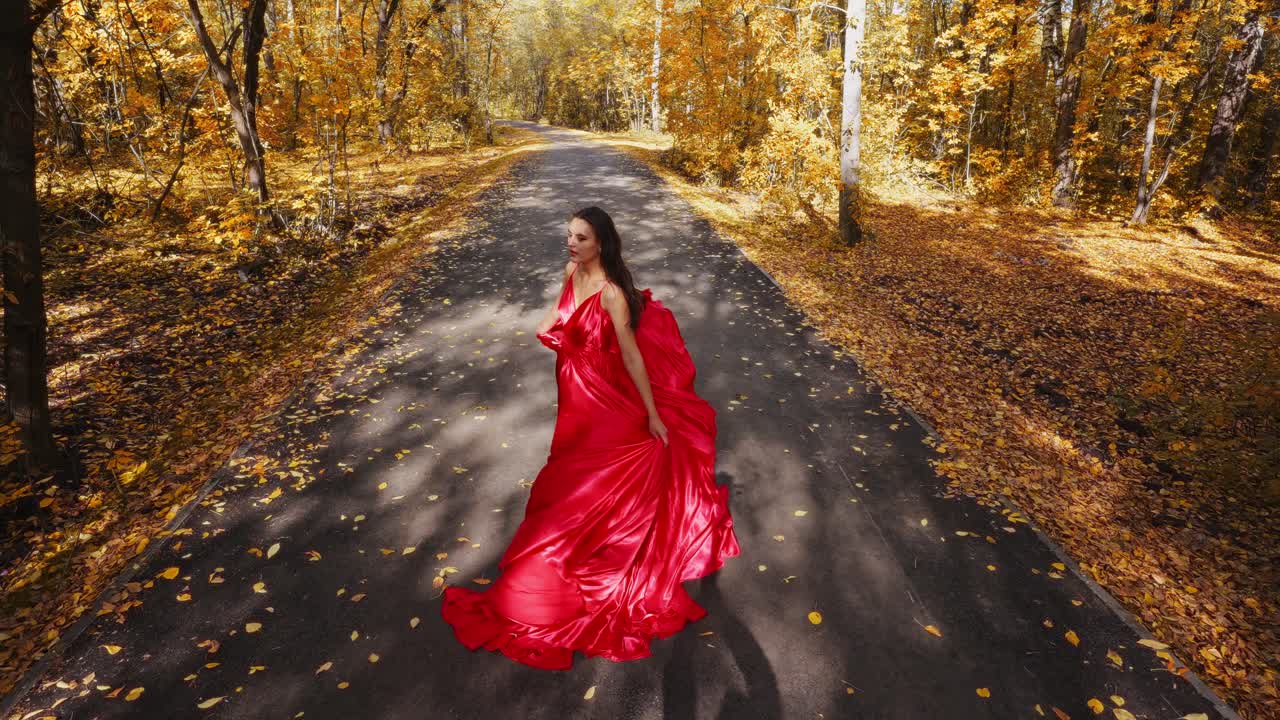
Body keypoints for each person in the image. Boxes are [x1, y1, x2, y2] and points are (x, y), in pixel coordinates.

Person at [440, 206, 740, 670]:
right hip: (575, 394)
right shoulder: (571, 271)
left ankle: (604, 554)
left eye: (581, 238)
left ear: (601, 243)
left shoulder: (612, 294)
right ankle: (580, 545)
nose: (572, 243)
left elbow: (633, 358)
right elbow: (553, 318)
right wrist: (548, 328)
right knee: (570, 473)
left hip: (606, 398)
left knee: (596, 477)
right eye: (569, 235)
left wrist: (653, 412)